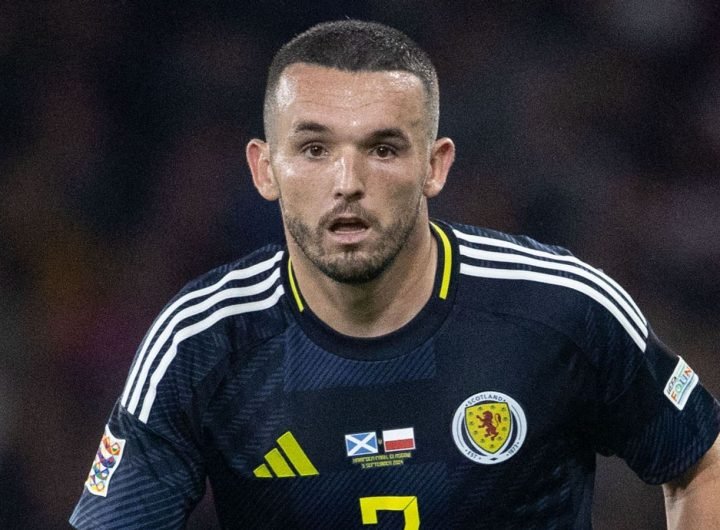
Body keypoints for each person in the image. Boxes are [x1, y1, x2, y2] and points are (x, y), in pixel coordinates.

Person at [70, 20, 720, 529]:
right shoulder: (203, 341)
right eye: (314, 149)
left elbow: (702, 462)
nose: (348, 184)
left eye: (382, 149)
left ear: (435, 166)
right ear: (264, 169)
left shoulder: (559, 308)